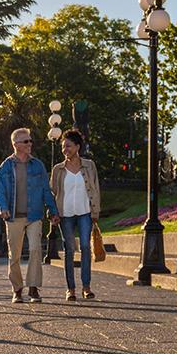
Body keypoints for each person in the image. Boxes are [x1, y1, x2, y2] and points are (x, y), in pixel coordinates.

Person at [0, 128, 58, 303]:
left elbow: (46, 190)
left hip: (34, 215)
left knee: (36, 250)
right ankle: (17, 289)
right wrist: (4, 208)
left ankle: (33, 287)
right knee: (14, 255)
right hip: (13, 216)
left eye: (30, 141)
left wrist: (53, 211)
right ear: (15, 144)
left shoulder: (37, 165)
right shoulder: (5, 166)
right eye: (26, 141)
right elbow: (0, 192)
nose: (30, 144)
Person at [51, 129, 101, 301]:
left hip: (85, 213)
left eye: (69, 146)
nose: (65, 149)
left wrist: (95, 211)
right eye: (63, 147)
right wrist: (53, 213)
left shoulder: (89, 165)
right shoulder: (58, 169)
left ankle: (86, 287)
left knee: (86, 247)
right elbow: (53, 193)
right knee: (69, 249)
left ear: (77, 147)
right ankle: (70, 289)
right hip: (65, 214)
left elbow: (95, 189)